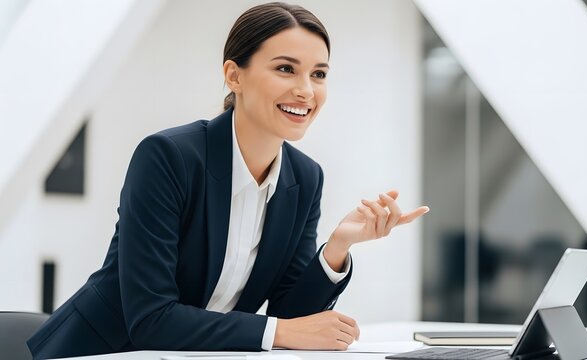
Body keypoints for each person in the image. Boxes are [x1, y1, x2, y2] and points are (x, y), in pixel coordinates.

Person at [27, 2, 429, 359]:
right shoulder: (168, 157)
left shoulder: (305, 178)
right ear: (234, 76)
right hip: (100, 351)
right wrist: (282, 332)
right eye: (285, 68)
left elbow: (288, 314)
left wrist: (336, 249)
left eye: (319, 73)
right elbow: (151, 318)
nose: (306, 90)